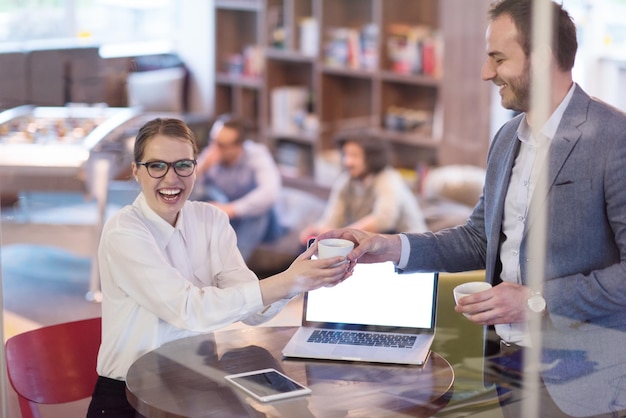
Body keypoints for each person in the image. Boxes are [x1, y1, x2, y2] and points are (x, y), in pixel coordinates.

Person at [320, 0, 626, 416]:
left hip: (586, 375)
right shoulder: (506, 140)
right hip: (506, 361)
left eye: (498, 58)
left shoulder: (614, 139)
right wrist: (388, 246)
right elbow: (478, 237)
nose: (486, 72)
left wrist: (536, 300)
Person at [86, 118, 351, 417]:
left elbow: (252, 310)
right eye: (157, 166)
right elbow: (188, 309)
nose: (172, 178)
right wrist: (286, 282)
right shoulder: (125, 231)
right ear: (136, 171)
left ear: (196, 167)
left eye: (183, 165)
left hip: (193, 384)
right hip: (129, 394)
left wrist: (298, 280)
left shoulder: (210, 220)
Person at [298, 133, 427, 245]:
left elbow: (383, 220)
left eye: (354, 156)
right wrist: (317, 231)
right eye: (346, 155)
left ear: (371, 158)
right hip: (375, 243)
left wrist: (343, 235)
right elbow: (333, 219)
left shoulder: (388, 179)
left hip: (408, 247)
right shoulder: (345, 182)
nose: (347, 161)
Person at [195, 114, 283, 261]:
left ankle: (236, 266)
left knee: (260, 210)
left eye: (222, 145)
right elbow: (189, 190)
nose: (214, 148)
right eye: (213, 141)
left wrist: (232, 209)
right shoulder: (211, 154)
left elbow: (270, 192)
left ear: (239, 146)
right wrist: (202, 167)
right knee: (202, 197)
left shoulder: (257, 154)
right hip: (230, 221)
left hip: (263, 224)